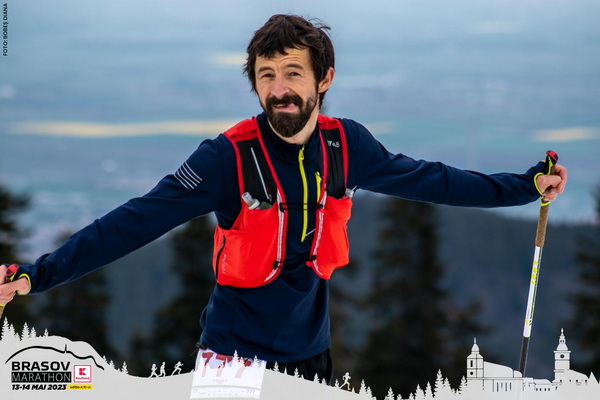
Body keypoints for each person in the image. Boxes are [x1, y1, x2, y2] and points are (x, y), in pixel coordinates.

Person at [0, 14, 566, 383]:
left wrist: (525, 186)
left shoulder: (347, 146)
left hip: (311, 358)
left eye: (293, 72)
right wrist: (35, 275)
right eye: (266, 74)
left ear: (325, 79)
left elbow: (433, 180)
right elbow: (133, 222)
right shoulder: (225, 158)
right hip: (231, 362)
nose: (279, 89)